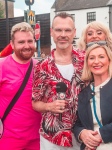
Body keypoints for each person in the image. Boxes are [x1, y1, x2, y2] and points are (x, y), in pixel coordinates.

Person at [32, 12, 83, 150]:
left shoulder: (86, 60)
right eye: (58, 30)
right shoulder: (42, 66)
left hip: (82, 135)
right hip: (52, 137)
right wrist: (49, 106)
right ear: (51, 32)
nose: (63, 34)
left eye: (67, 30)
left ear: (74, 32)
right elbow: (35, 102)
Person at [0, 22, 41, 150]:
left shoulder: (41, 67)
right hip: (8, 140)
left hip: (38, 139)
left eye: (30, 41)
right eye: (21, 42)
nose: (27, 46)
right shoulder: (1, 66)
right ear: (12, 44)